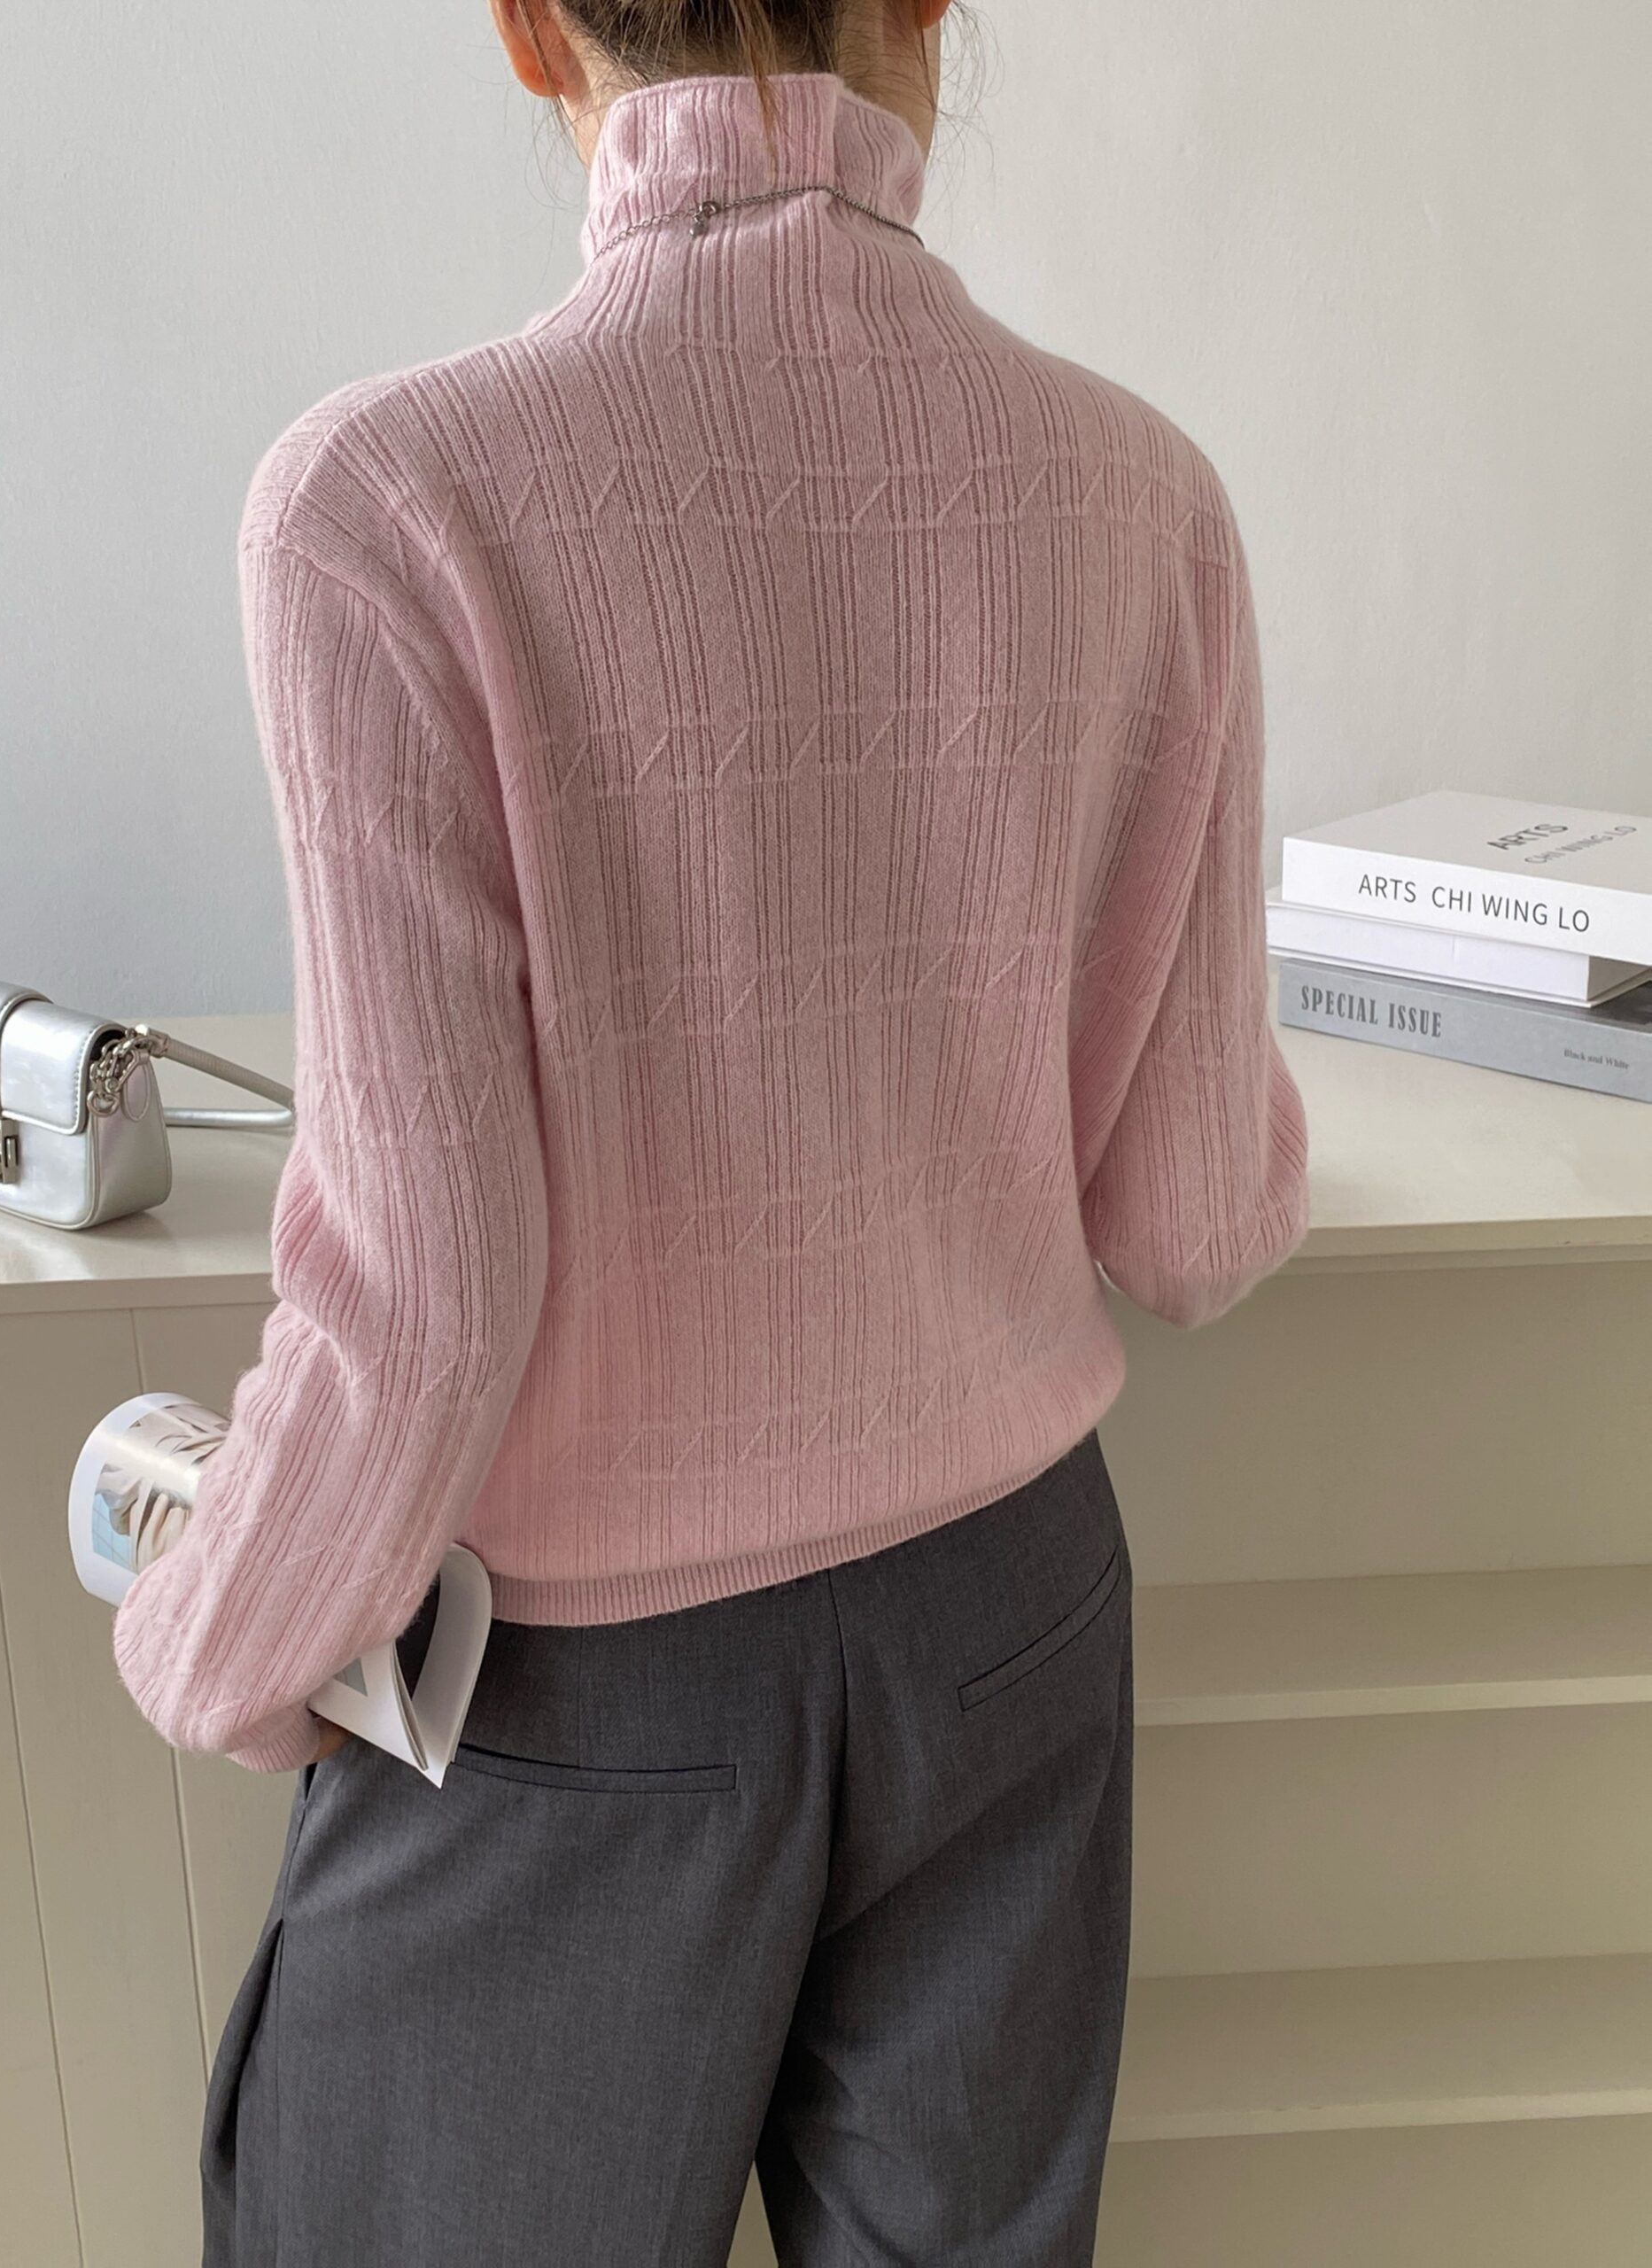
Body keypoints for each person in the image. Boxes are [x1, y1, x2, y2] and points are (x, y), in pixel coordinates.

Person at [112, 3, 1309, 2260]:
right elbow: (1196, 1217)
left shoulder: (387, 507)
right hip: (1010, 1615)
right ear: (931, 5)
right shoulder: (1146, 495)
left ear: (525, 28)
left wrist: (213, 1636)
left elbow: (425, 1292)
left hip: (574, 1689)